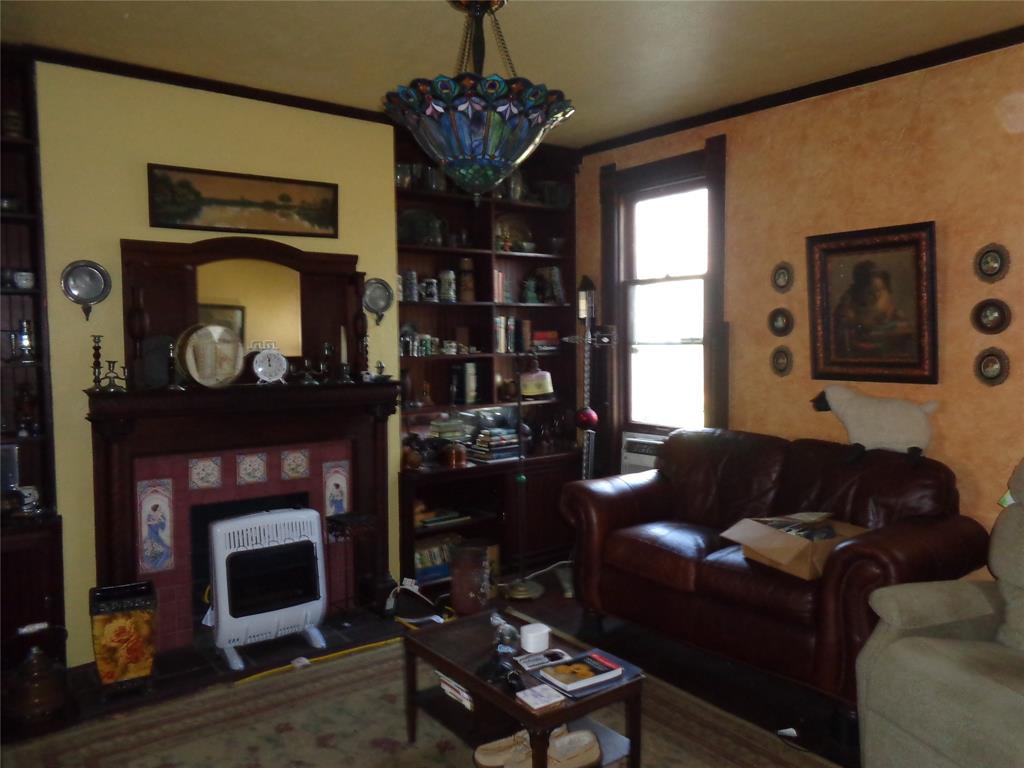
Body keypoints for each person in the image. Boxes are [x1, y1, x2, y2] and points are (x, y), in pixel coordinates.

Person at [833, 260, 911, 358]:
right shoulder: (848, 306)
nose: (876, 296)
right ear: (860, 291)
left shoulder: (895, 314)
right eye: (870, 292)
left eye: (880, 290)